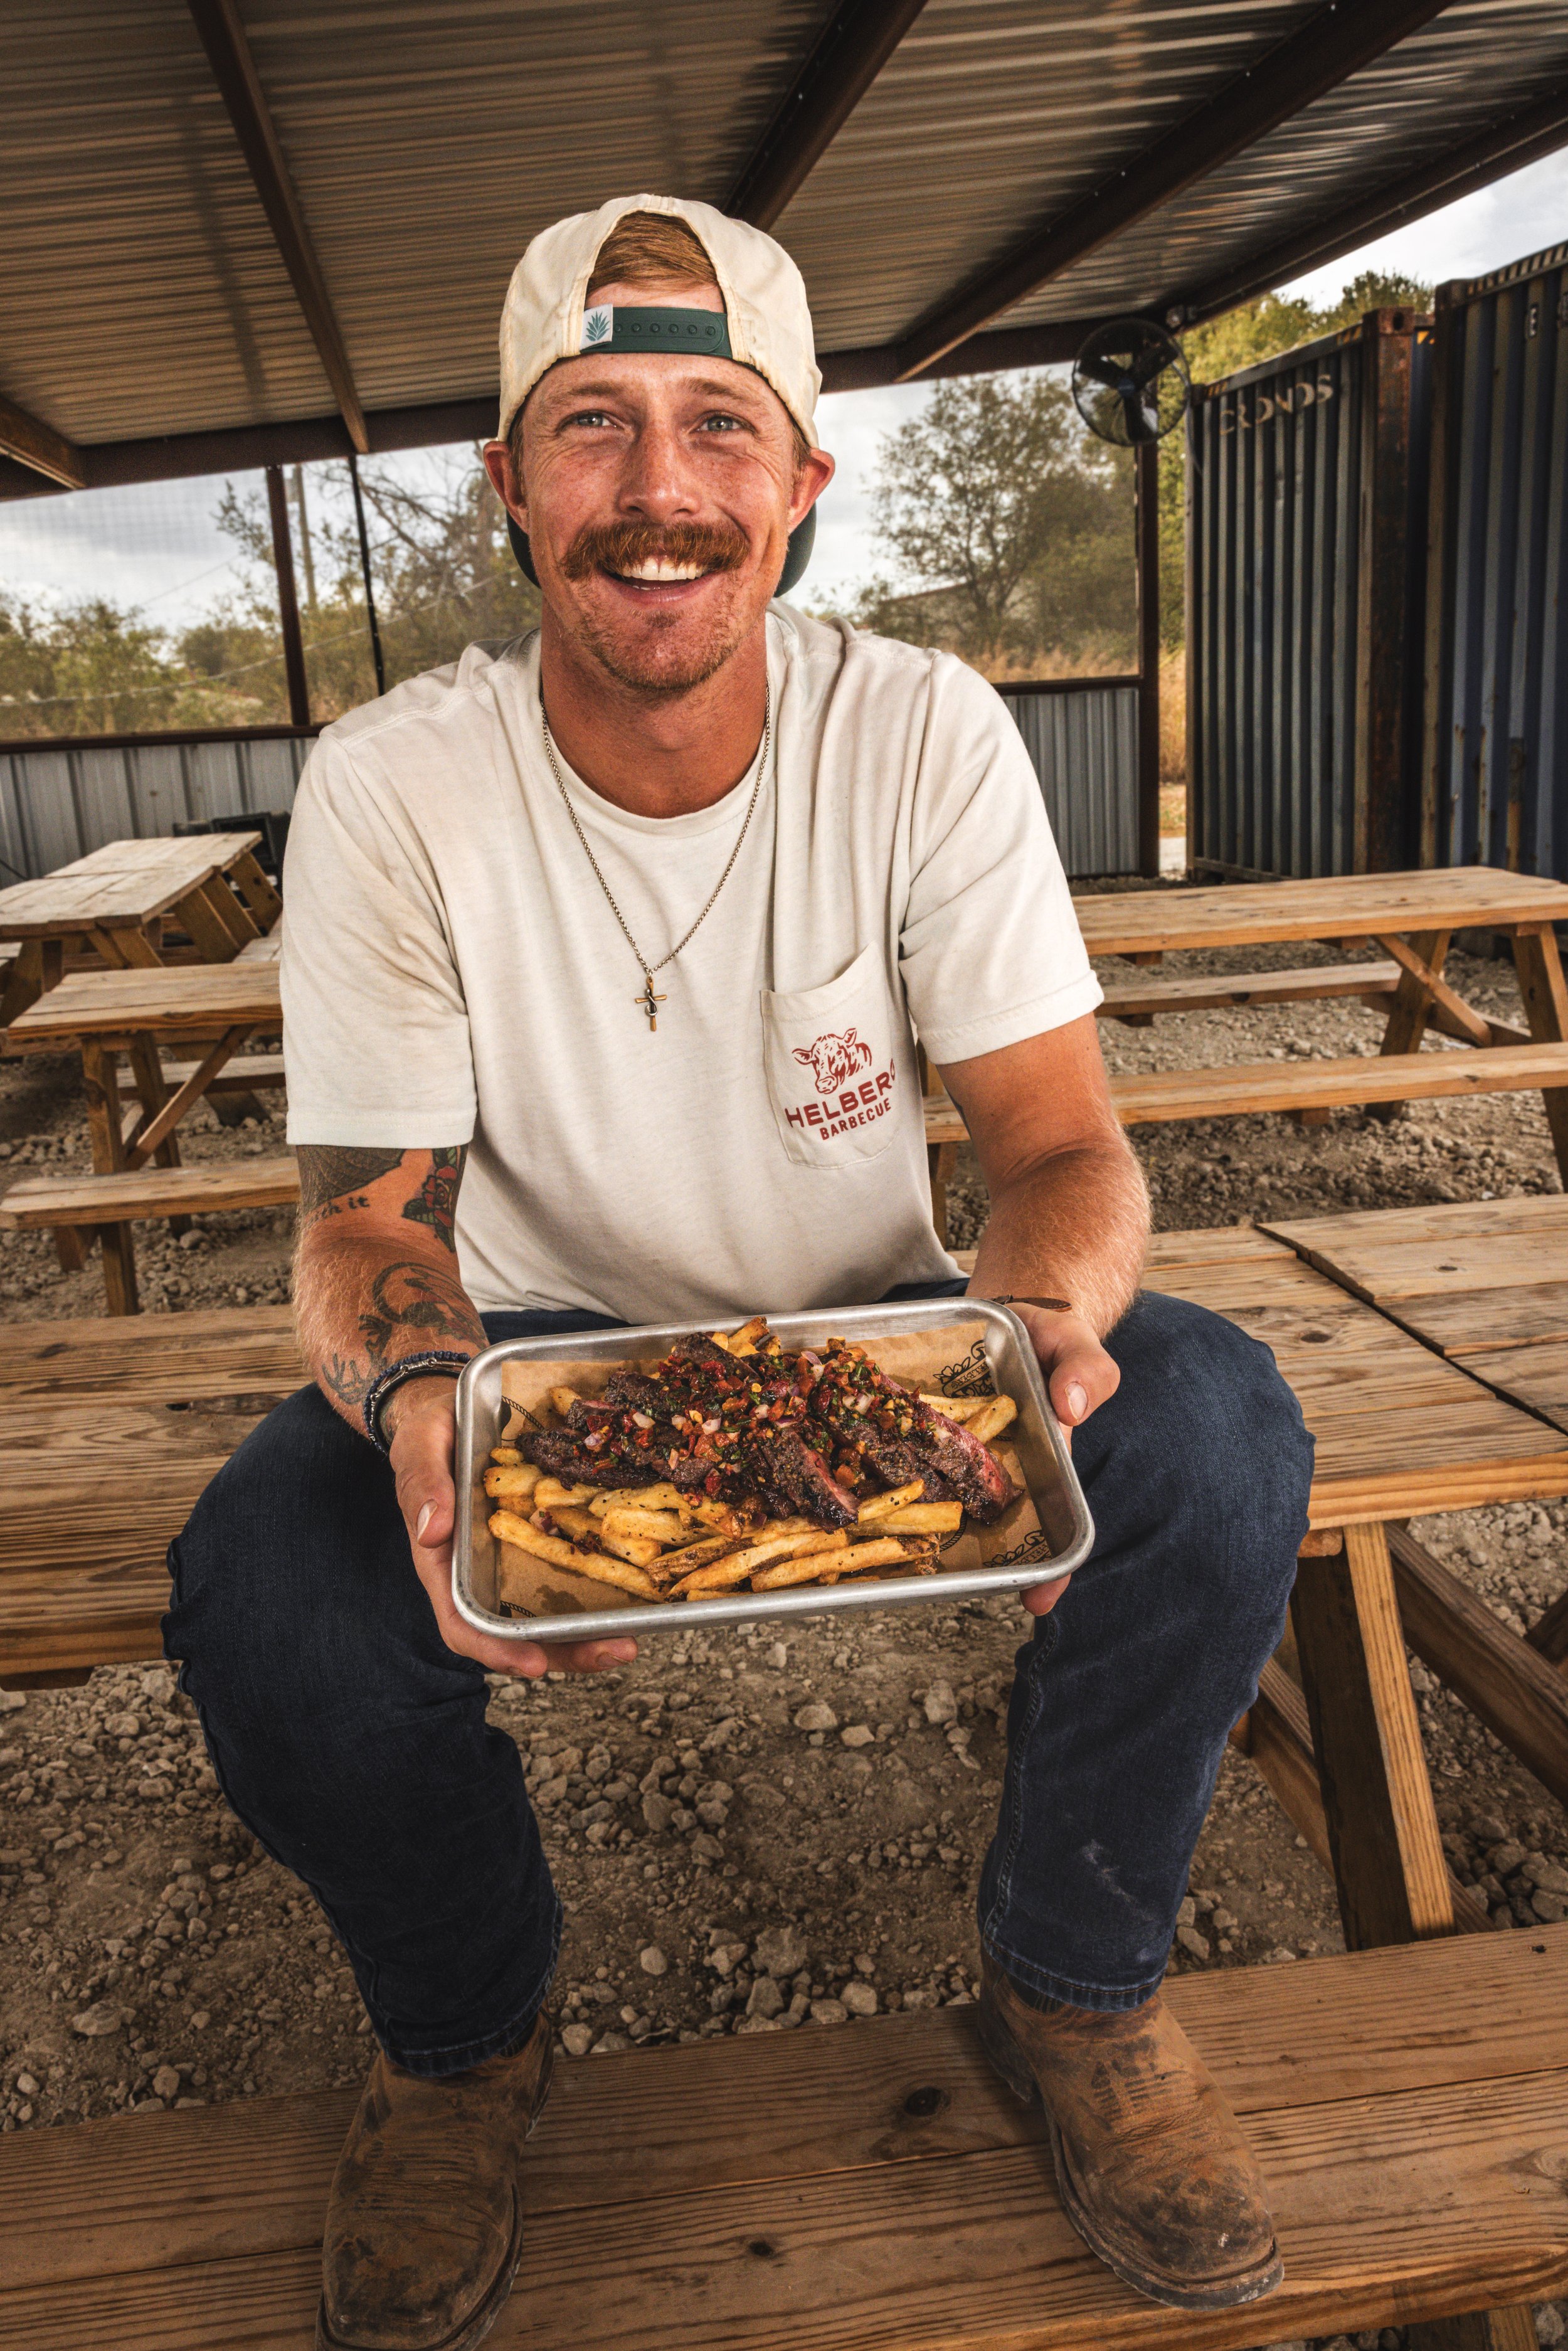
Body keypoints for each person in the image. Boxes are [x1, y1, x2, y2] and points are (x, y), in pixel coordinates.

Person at [166, 194, 1312, 2351]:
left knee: (1225, 1438)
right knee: (267, 1592)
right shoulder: (394, 784)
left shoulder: (926, 733)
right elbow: (362, 1220)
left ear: (799, 482)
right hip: (537, 1362)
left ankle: (1076, 1994)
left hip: (891, 1336)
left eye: (716, 424)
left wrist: (1040, 1327)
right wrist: (425, 1403)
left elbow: (1059, 1147)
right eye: (590, 427)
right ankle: (463, 2037)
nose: (657, 493)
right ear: (506, 486)